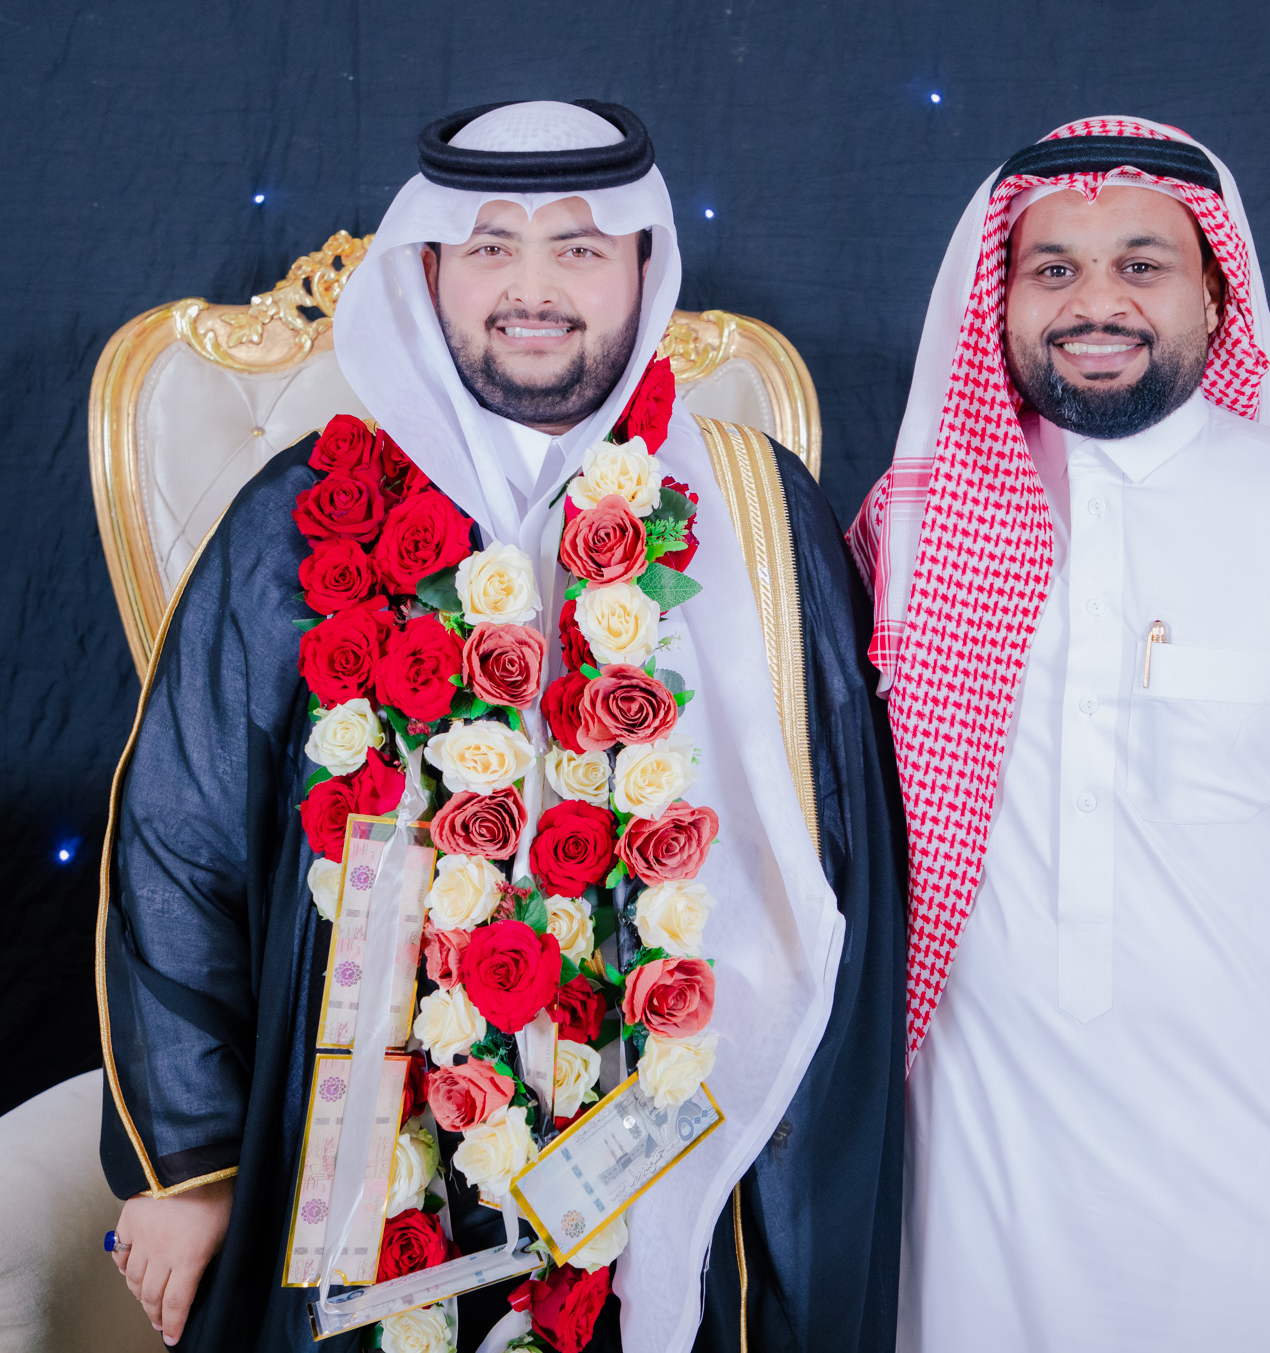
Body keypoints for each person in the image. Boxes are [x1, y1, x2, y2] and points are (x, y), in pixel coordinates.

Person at [98, 100, 905, 1353]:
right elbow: (177, 836)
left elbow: (850, 860)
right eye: (489, 247)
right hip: (379, 1144)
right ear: (427, 272)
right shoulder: (302, 517)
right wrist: (190, 1162)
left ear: (643, 269)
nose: (533, 289)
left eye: (578, 247)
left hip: (684, 1142)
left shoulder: (755, 514)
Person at [848, 116, 1270, 1349]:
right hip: (981, 1197)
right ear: (999, 302)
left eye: (1141, 264)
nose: (1094, 302)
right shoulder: (911, 537)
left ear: (1216, 295)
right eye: (1052, 268)